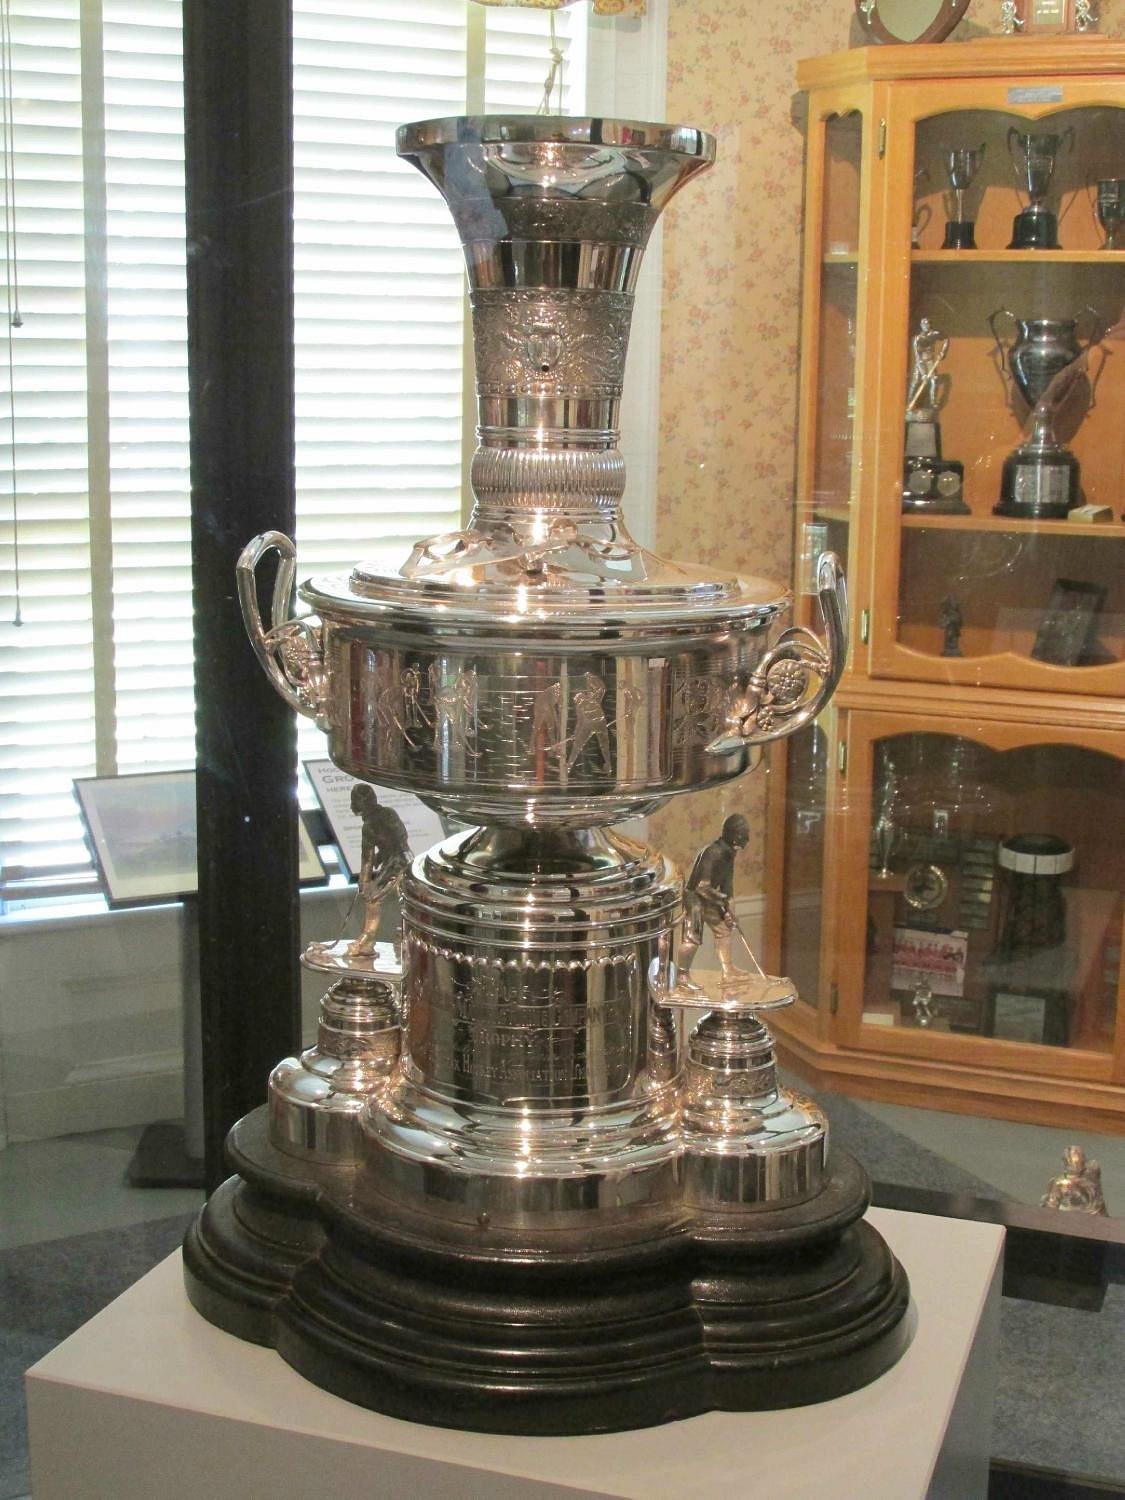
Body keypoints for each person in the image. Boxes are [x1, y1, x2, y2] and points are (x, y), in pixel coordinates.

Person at [678, 814, 751, 982]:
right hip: (694, 900)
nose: (746, 840)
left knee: (724, 930)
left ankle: (728, 971)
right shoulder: (713, 852)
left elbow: (727, 887)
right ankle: (682, 975)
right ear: (735, 836)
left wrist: (731, 913)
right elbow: (702, 887)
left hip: (709, 897)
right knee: (692, 939)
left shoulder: (729, 854)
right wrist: (722, 901)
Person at [348, 783, 411, 957]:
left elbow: (367, 858)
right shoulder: (389, 813)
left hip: (395, 864)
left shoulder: (368, 826)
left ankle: (367, 940)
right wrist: (382, 855)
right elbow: (400, 838)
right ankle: (404, 935)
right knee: (406, 898)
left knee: (373, 899)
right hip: (406, 859)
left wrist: (364, 882)